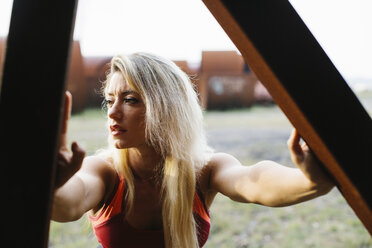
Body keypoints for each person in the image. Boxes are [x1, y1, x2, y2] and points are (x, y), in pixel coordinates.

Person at [52, 52, 334, 248]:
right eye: (110, 100)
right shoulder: (105, 172)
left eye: (130, 100)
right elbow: (67, 205)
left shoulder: (206, 171)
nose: (112, 113)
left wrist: (310, 180)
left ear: (166, 108)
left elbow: (254, 181)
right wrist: (51, 185)